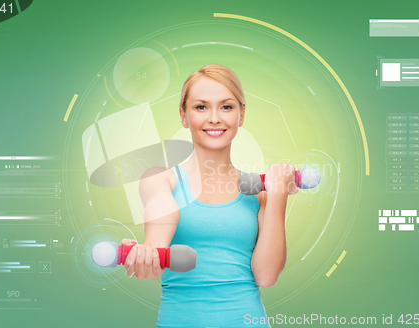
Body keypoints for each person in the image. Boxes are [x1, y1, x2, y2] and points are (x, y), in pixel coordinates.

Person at [121, 64, 298, 327]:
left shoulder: (259, 193)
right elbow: (162, 214)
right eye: (201, 107)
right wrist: (153, 254)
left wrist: (279, 194)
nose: (214, 118)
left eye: (226, 107)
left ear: (241, 114)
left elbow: (266, 276)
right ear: (183, 115)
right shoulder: (160, 179)